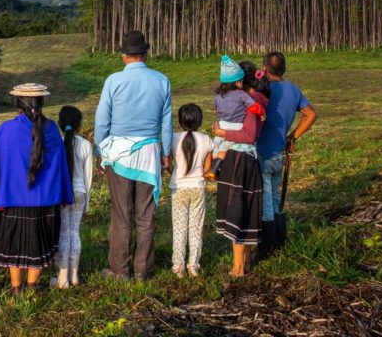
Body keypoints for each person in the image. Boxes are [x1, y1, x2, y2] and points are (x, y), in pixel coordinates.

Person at [94, 30, 173, 281]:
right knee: (145, 214)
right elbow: (166, 123)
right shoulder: (162, 80)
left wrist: (101, 150)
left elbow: (101, 122)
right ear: (146, 53)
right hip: (149, 154)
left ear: (123, 56)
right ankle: (143, 270)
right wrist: (166, 153)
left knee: (121, 214)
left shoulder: (113, 81)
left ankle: (119, 270)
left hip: (119, 155)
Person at [0, 83, 73, 291]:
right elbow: (60, 164)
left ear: (18, 103)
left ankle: (16, 287)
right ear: (42, 103)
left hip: (13, 200)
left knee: (14, 247)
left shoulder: (5, 130)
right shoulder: (52, 129)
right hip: (45, 201)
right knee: (40, 246)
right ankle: (31, 286)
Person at [211, 61, 269, 277]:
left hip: (239, 160)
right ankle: (245, 261)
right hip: (243, 159)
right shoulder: (249, 102)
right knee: (244, 209)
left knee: (237, 210)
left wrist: (223, 134)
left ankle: (237, 268)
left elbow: (248, 135)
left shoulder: (249, 104)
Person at [256, 52, 317, 250]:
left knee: (265, 200)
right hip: (279, 152)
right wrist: (293, 136)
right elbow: (311, 114)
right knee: (274, 196)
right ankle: (280, 240)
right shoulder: (292, 89)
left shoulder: (263, 91)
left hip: (262, 152)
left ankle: (267, 247)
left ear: (264, 69)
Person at [51, 105, 93, 289]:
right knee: (74, 233)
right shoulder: (86, 145)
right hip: (80, 193)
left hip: (62, 194)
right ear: (80, 125)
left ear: (60, 124)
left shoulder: (57, 144)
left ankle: (62, 278)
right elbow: (88, 177)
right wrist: (87, 204)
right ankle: (74, 276)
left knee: (63, 234)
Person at [168, 105, 213, 279]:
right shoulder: (206, 140)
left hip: (179, 188)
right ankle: (193, 265)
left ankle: (178, 267)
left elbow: (168, 163)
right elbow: (207, 168)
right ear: (200, 121)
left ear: (180, 121)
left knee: (179, 229)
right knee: (196, 228)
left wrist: (172, 173)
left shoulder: (173, 138)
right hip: (198, 188)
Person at [212, 55, 265, 175]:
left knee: (216, 143)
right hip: (235, 126)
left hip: (222, 124)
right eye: (241, 80)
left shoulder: (218, 96)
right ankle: (215, 169)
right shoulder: (241, 94)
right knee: (225, 146)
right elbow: (254, 106)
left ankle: (211, 164)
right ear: (237, 82)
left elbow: (216, 110)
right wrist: (262, 113)